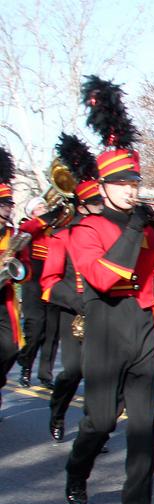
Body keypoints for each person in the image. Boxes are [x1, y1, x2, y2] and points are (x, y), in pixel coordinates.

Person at [64, 75, 154, 504]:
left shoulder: (143, 220)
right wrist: (138, 231)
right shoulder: (86, 229)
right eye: (121, 183)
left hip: (141, 324)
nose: (130, 189)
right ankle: (76, 473)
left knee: (143, 425)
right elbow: (101, 276)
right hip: (104, 322)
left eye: (134, 181)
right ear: (102, 187)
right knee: (100, 421)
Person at [43, 134, 103, 441]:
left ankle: (91, 431)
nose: (99, 208)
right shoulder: (62, 236)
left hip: (103, 312)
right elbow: (49, 282)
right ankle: (57, 410)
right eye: (94, 203)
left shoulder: (108, 233)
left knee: (98, 375)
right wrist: (78, 302)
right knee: (72, 371)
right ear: (81, 206)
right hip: (73, 313)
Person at [16, 194, 61, 389]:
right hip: (33, 282)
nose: (45, 209)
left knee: (52, 331)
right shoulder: (28, 227)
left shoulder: (55, 229)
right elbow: (29, 228)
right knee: (35, 328)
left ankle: (45, 375)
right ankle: (25, 365)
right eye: (41, 208)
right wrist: (49, 216)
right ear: (32, 213)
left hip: (52, 282)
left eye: (45, 207)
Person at [0, 146, 28, 420]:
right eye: (3, 204)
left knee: (10, 348)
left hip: (3, 295)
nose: (8, 209)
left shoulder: (13, 233)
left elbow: (23, 269)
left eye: (9, 204)